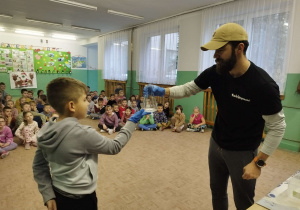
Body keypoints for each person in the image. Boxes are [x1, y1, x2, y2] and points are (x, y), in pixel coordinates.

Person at [143, 23, 286, 210]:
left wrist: (258, 162)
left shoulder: (263, 85)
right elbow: (190, 88)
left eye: (220, 50)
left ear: (239, 48)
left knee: (243, 201)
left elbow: (277, 126)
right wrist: (163, 91)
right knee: (217, 192)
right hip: (216, 144)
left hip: (243, 153)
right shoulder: (217, 71)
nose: (214, 55)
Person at [32, 77, 149, 210]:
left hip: (58, 195)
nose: (88, 103)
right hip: (83, 199)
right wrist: (132, 122)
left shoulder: (45, 129)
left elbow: (38, 166)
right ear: (71, 106)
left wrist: (47, 194)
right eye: (84, 100)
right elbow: (115, 147)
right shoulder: (83, 133)